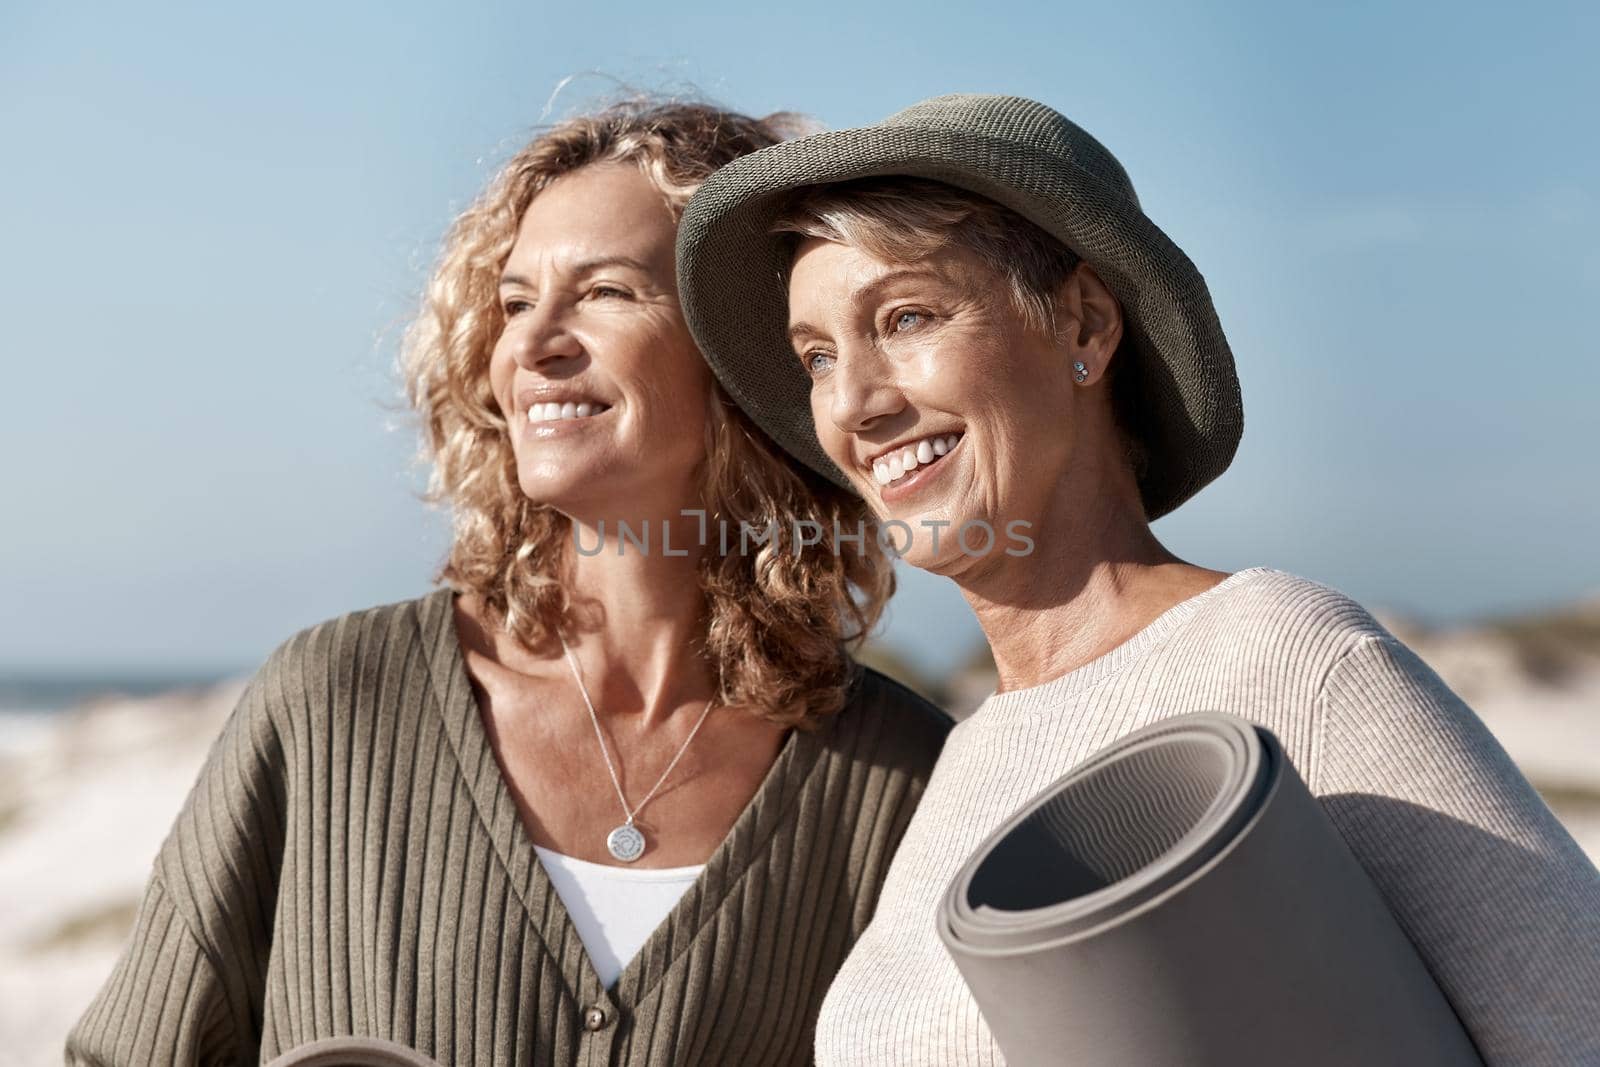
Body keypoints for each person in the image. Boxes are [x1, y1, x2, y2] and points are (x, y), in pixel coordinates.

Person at [674, 92, 1600, 1065]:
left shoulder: (1289, 660)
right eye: (817, 358)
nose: (853, 402)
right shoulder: (960, 760)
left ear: (1082, 324)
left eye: (906, 317)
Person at [64, 98, 950, 1067]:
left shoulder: (901, 780)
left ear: (745, 352)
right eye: (517, 301)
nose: (533, 345)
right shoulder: (330, 701)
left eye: (606, 291)